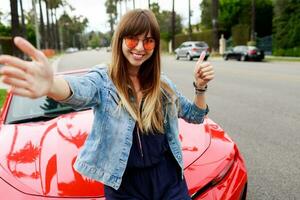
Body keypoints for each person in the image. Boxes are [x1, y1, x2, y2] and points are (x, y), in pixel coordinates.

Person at [0, 9, 214, 200]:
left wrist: (200, 87)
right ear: (120, 41)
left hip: (168, 180)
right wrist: (50, 85)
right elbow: (79, 89)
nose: (140, 47)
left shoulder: (163, 85)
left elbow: (195, 115)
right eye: (132, 39)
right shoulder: (103, 79)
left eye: (148, 41)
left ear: (155, 45)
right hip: (125, 185)